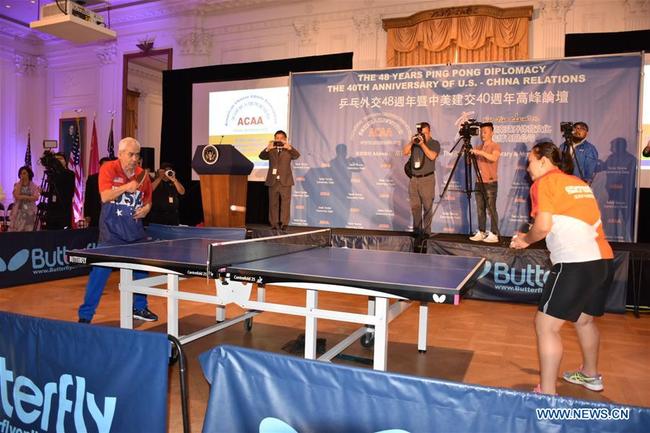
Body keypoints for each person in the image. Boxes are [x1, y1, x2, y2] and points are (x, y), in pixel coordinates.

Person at [510, 141, 613, 395]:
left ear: (543, 160)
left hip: (575, 263)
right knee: (584, 321)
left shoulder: (543, 183)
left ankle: (547, 392)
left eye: (530, 161)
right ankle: (590, 375)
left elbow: (543, 226)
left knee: (546, 326)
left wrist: (524, 239)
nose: (527, 168)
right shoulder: (578, 183)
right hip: (603, 261)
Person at [78, 137, 158, 323]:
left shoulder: (142, 175)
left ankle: (139, 308)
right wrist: (125, 187)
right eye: (130, 154)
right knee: (98, 275)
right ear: (121, 154)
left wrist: (145, 210)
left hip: (135, 234)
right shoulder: (108, 169)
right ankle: (85, 316)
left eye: (137, 155)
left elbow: (148, 201)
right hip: (111, 235)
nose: (134, 159)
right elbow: (105, 196)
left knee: (142, 273)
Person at [403, 121, 440, 237]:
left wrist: (423, 144)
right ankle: (417, 231)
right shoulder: (415, 143)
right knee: (415, 207)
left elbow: (432, 156)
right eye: (420, 133)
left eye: (423, 133)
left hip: (427, 179)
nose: (421, 135)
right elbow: (404, 152)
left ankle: (426, 233)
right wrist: (412, 141)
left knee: (428, 207)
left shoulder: (434, 143)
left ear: (429, 132)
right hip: (414, 180)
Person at [259, 130, 300, 231]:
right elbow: (261, 156)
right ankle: (274, 223)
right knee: (273, 203)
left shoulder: (288, 150)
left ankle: (284, 223)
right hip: (273, 181)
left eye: (281, 138)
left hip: (285, 181)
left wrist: (289, 147)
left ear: (285, 139)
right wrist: (267, 148)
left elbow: (297, 155)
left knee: (285, 203)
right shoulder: (271, 150)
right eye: (277, 138)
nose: (279, 140)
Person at [468, 122, 501, 243]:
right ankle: (481, 232)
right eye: (482, 132)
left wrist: (480, 153)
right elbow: (470, 162)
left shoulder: (495, 146)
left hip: (490, 182)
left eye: (485, 132)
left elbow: (494, 158)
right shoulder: (478, 147)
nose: (483, 134)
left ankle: (494, 233)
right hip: (479, 182)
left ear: (492, 132)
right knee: (480, 209)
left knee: (491, 209)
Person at [44, 152, 75, 230]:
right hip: (52, 209)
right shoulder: (52, 174)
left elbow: (69, 192)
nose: (58, 161)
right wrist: (43, 193)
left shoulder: (70, 174)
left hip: (63, 208)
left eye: (60, 159)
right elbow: (51, 192)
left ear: (65, 161)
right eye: (56, 159)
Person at [8, 166, 40, 232]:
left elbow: (36, 198)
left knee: (30, 229)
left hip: (30, 210)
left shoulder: (34, 185)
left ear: (28, 174)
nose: (22, 175)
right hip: (19, 210)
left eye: (24, 173)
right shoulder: (17, 184)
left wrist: (22, 196)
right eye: (21, 174)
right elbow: (16, 196)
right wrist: (21, 182)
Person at [83, 157, 112, 228]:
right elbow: (88, 197)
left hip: (110, 213)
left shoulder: (115, 179)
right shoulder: (92, 179)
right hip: (95, 213)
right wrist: (87, 214)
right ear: (100, 166)